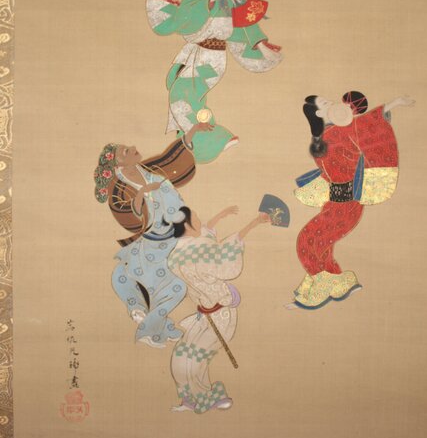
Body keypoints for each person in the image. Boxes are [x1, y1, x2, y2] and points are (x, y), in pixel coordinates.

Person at [146, 0, 283, 164]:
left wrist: (261, 46)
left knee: (183, 94)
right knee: (178, 88)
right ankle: (188, 139)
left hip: (212, 56)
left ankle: (215, 138)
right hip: (195, 50)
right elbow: (184, 13)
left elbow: (247, 26)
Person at [289, 92, 415, 309]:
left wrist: (395, 103)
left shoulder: (349, 127)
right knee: (321, 245)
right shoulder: (325, 134)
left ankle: (324, 285)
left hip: (347, 203)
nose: (333, 102)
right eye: (325, 103)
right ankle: (338, 284)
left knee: (307, 241)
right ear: (318, 113)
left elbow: (369, 121)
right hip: (334, 202)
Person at [94, 122, 212, 347]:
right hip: (152, 243)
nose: (133, 148)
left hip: (175, 236)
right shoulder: (119, 187)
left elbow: (171, 159)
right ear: (118, 163)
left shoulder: (148, 170)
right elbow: (127, 212)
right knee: (133, 277)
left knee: (177, 287)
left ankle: (152, 325)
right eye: (126, 151)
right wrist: (142, 194)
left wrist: (193, 131)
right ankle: (141, 311)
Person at [168, 205, 270, 414]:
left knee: (196, 357)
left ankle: (211, 398)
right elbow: (224, 251)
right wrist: (251, 224)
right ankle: (189, 398)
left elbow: (205, 234)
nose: (201, 221)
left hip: (221, 313)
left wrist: (228, 218)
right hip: (203, 314)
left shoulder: (177, 254)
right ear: (187, 226)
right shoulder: (194, 250)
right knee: (181, 354)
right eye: (196, 218)